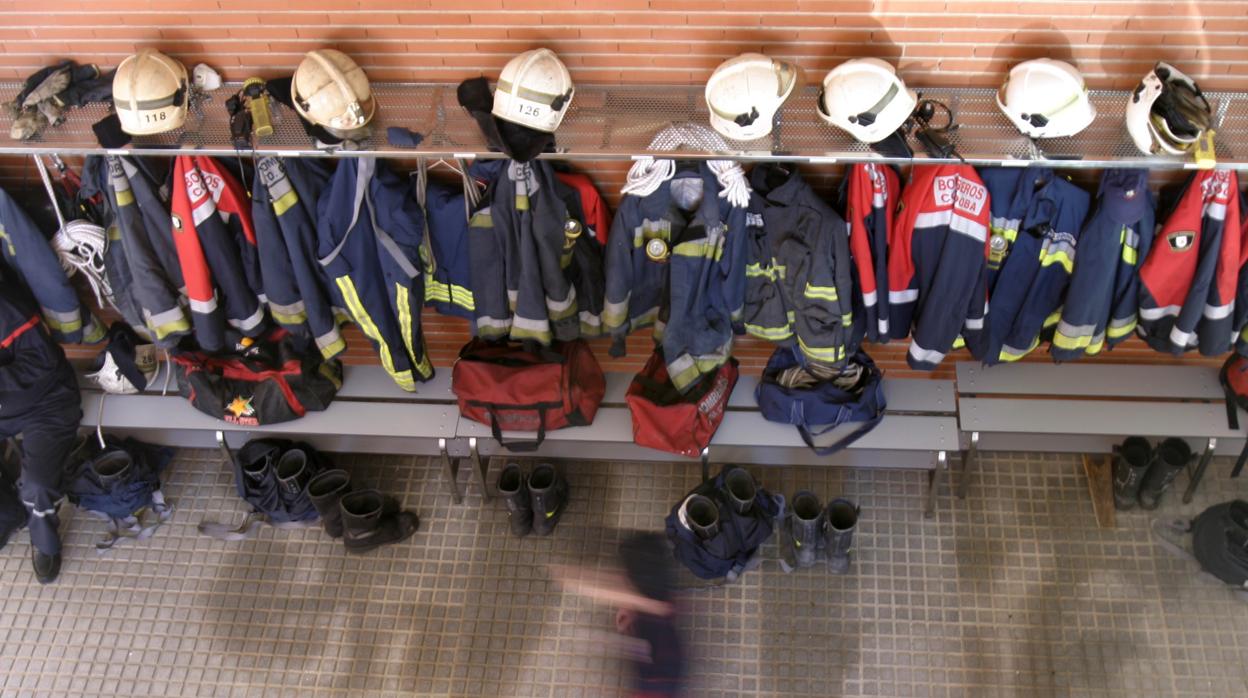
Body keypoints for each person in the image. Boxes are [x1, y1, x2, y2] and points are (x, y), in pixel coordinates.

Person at [0, 276, 82, 583]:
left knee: (37, 485)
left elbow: (42, 360)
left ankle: (45, 542)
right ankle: (7, 514)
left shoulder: (4, 306)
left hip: (47, 403)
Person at [552, 531, 686, 697]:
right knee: (639, 555)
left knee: (635, 557)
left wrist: (626, 628)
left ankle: (646, 550)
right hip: (653, 599)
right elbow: (662, 612)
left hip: (650, 611)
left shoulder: (654, 687)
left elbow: (645, 649)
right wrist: (630, 603)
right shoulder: (659, 685)